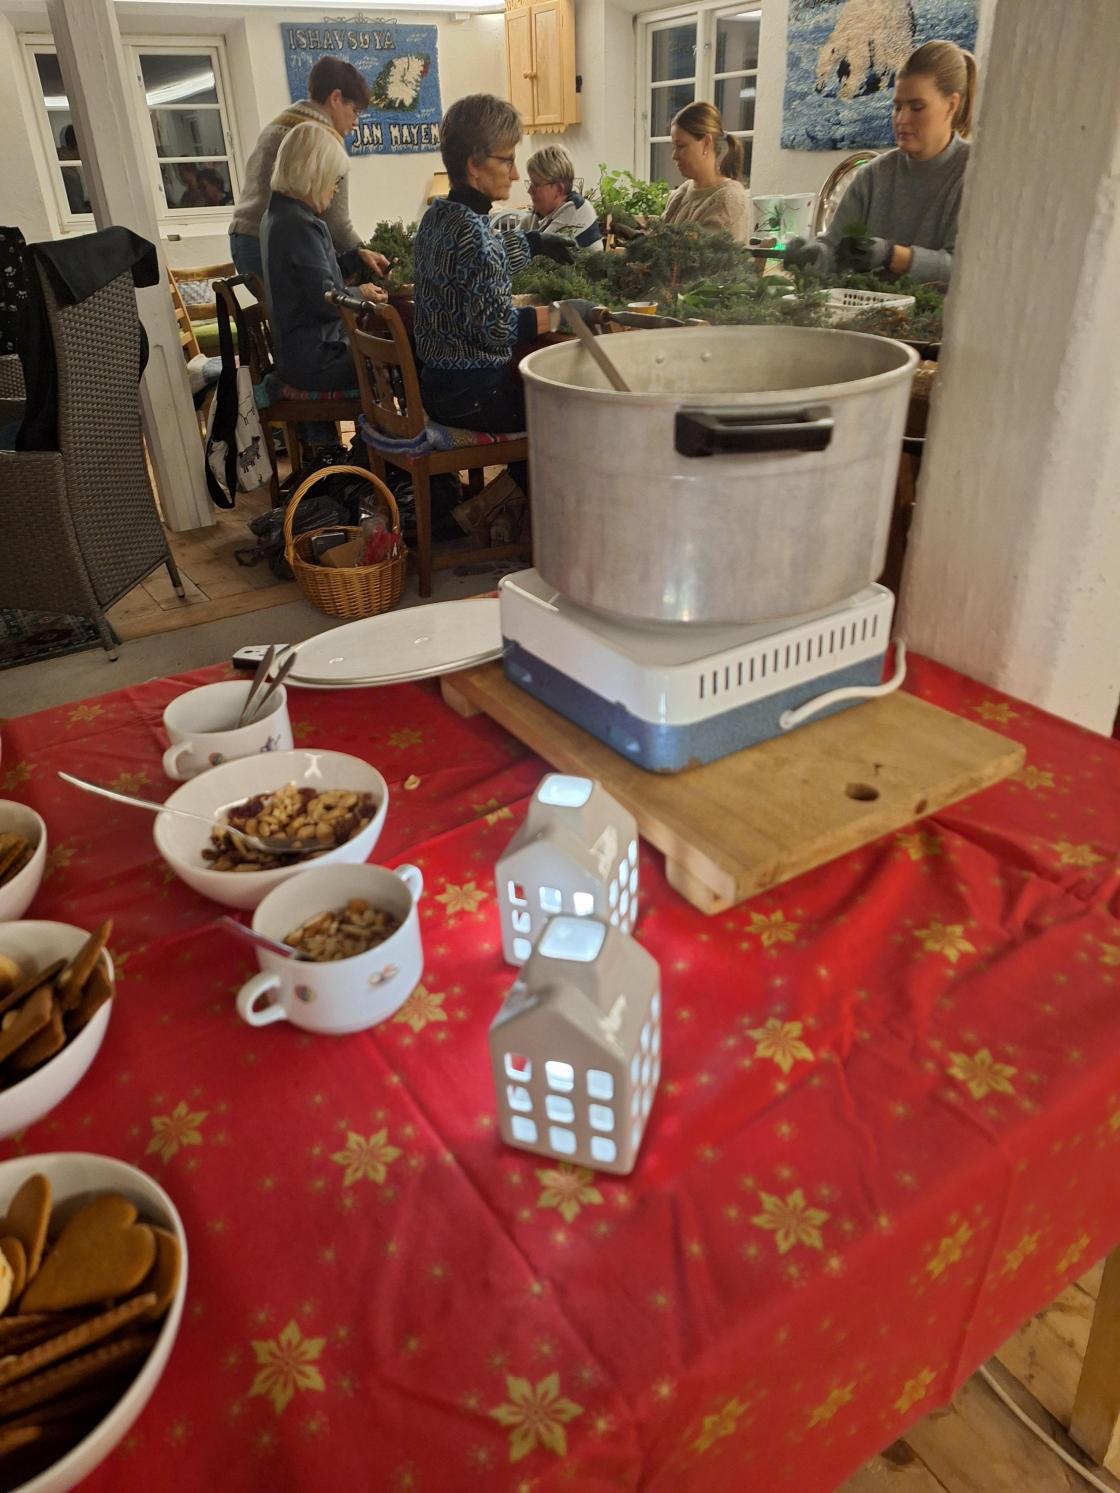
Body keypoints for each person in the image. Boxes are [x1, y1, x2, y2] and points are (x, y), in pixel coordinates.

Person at [412, 93, 577, 437]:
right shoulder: (473, 232)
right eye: (507, 161)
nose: (515, 174)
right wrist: (563, 314)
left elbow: (476, 266)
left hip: (438, 389)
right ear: (474, 164)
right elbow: (498, 328)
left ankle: (518, 473)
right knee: (569, 415)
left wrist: (534, 242)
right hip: (474, 397)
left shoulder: (438, 216)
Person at [785, 40, 976, 286]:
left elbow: (968, 268)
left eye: (917, 107)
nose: (902, 119)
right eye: (897, 107)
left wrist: (894, 256)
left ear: (951, 105)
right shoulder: (872, 177)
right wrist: (812, 257)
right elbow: (833, 248)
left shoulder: (975, 173)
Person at [229, 56, 387, 286]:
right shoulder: (323, 139)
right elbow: (337, 225)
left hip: (244, 238)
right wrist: (367, 258)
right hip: (277, 245)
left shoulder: (281, 121)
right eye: (354, 111)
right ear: (336, 98)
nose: (356, 122)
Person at [260, 122, 386, 396]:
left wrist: (356, 257)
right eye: (334, 180)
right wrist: (362, 293)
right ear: (315, 174)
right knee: (399, 356)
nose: (335, 189)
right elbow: (326, 302)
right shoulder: (299, 225)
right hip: (318, 361)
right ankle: (383, 424)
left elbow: (311, 278)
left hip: (298, 358)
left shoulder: (277, 216)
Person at [662, 101, 750, 242]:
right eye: (674, 147)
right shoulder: (682, 193)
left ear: (706, 142)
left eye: (681, 146)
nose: (674, 156)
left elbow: (706, 255)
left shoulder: (728, 199)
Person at [520, 144, 603, 251]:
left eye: (535, 184)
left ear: (559, 189)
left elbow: (537, 254)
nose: (529, 190)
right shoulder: (541, 214)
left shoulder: (574, 211)